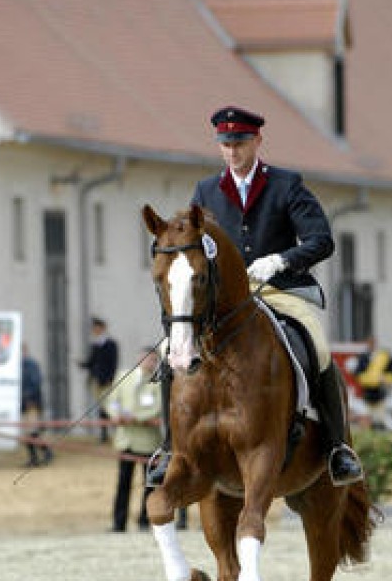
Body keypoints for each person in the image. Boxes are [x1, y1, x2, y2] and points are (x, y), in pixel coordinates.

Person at [147, 105, 363, 488]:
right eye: (226, 144)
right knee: (170, 350)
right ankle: (169, 448)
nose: (233, 151)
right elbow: (196, 245)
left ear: (257, 141)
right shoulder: (207, 191)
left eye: (240, 143)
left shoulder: (285, 185)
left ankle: (337, 447)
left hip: (280, 290)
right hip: (228, 298)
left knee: (317, 343)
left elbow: (322, 240)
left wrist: (281, 259)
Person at [105, 347, 163, 532]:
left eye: (154, 360)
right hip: (126, 441)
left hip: (149, 442)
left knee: (150, 485)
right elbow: (112, 401)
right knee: (123, 483)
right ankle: (118, 524)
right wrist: (116, 414)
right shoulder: (124, 377)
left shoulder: (159, 382)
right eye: (148, 359)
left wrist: (135, 417)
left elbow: (157, 407)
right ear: (140, 359)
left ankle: (145, 522)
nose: (150, 363)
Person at [79, 316, 118, 443]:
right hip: (96, 380)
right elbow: (91, 362)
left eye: (96, 327)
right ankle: (104, 434)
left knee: (110, 407)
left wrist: (110, 379)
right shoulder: (95, 344)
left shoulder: (111, 344)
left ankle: (115, 431)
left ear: (102, 328)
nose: (94, 330)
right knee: (101, 408)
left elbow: (113, 363)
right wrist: (83, 364)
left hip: (106, 381)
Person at [353, 336, 392, 428]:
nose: (371, 345)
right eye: (369, 343)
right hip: (367, 392)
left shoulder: (384, 356)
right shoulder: (363, 357)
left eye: (373, 343)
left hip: (381, 392)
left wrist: (386, 378)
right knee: (367, 416)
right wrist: (366, 379)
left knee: (381, 418)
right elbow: (358, 373)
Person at [21, 342, 53, 467]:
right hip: (23, 404)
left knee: (32, 431)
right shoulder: (18, 366)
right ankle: (35, 457)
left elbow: (36, 383)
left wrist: (28, 398)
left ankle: (45, 452)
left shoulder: (31, 365)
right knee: (27, 433)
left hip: (31, 403)